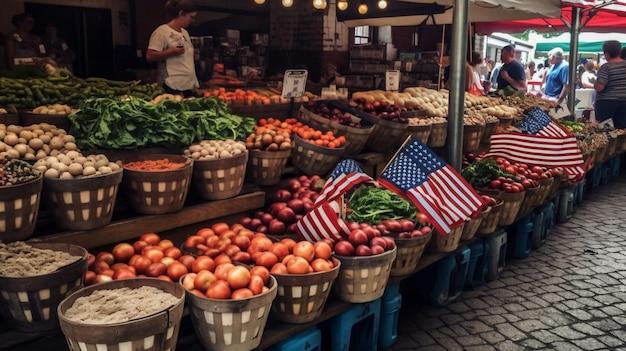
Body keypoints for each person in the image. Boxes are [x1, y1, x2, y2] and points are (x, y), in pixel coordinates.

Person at [147, 0, 199, 96]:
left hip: (188, 85)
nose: (192, 20)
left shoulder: (185, 33)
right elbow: (150, 56)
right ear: (181, 13)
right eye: (191, 17)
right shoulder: (161, 32)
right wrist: (171, 52)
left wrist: (194, 82)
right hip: (171, 85)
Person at [595, 41, 626, 128]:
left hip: (607, 103)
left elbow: (600, 87)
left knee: (605, 129)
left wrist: (595, 84)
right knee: (622, 130)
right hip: (624, 102)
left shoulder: (606, 67)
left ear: (607, 53)